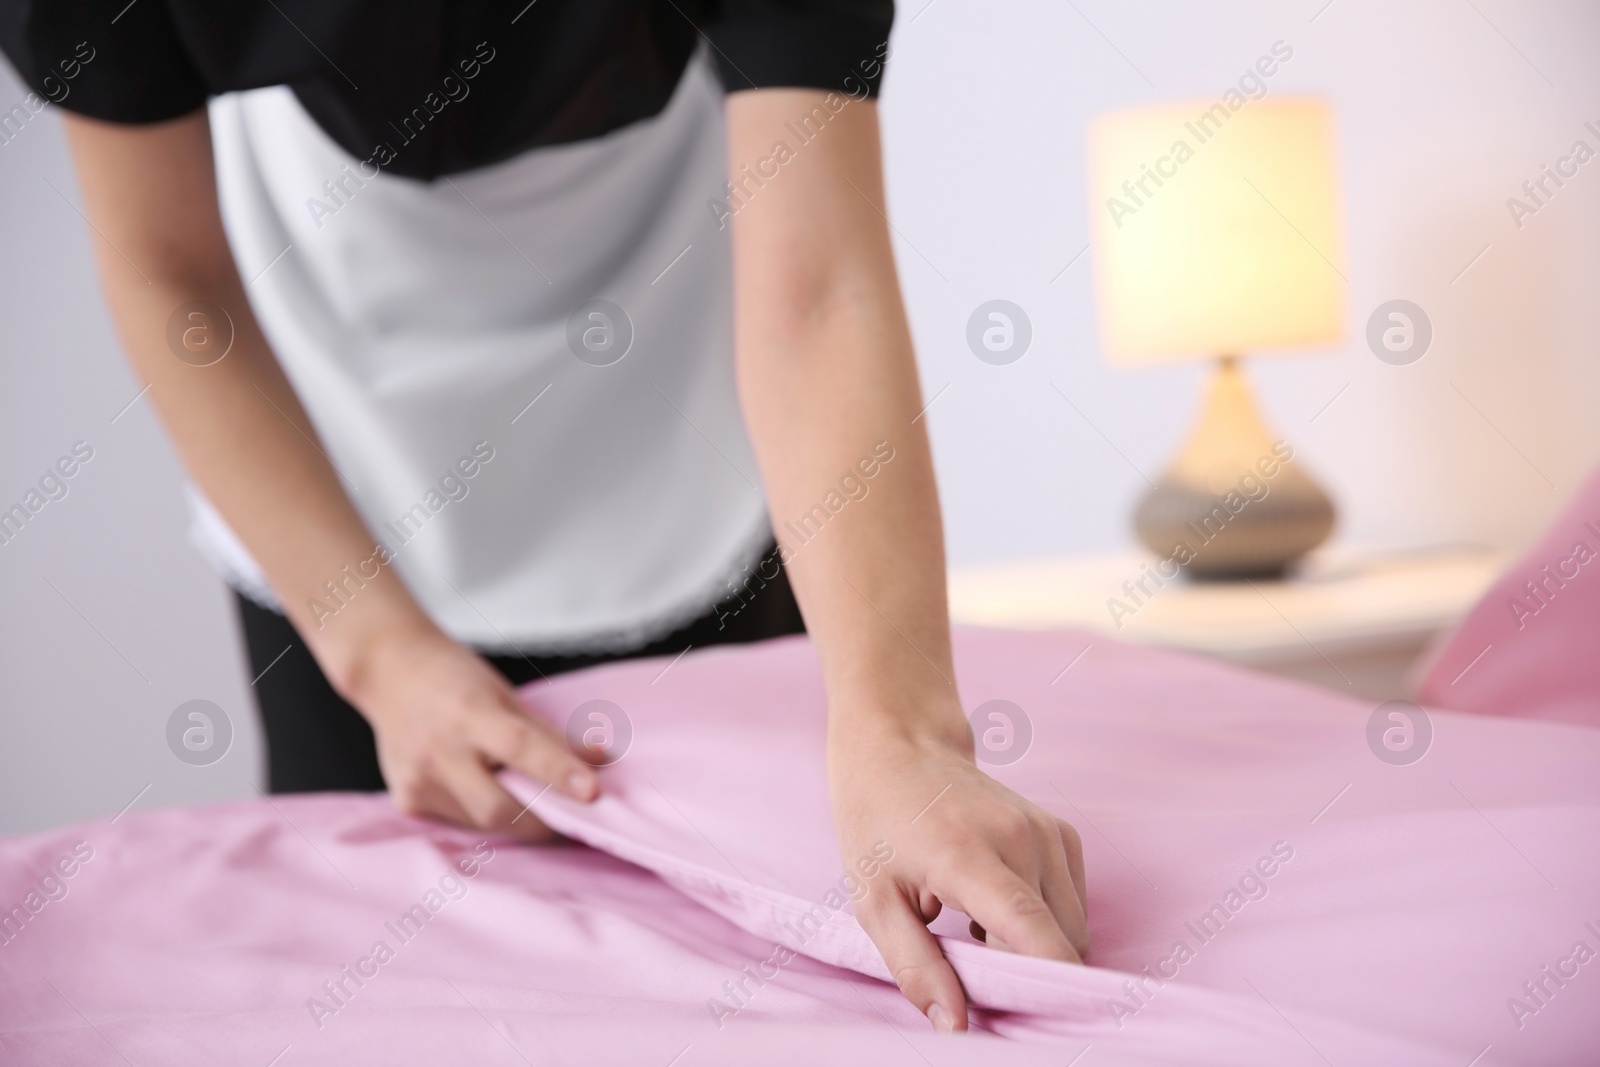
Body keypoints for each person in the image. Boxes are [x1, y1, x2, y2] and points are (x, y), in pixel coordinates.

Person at [2, 0, 1088, 1032]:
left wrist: (899, 728)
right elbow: (171, 273)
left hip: (676, 436)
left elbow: (816, 292)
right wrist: (378, 654)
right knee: (375, 995)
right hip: (323, 475)